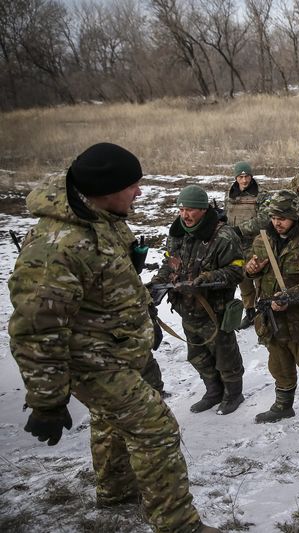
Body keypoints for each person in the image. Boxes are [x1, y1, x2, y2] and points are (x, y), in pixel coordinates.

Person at [8, 143, 219, 532]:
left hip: (121, 349)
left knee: (111, 421)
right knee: (155, 429)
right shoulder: (59, 245)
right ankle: (179, 525)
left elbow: (99, 283)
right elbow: (36, 328)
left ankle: (116, 489)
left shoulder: (99, 216)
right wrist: (47, 401)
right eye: (132, 186)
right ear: (106, 188)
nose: (139, 193)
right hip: (95, 361)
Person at [151, 184, 246, 416]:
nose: (185, 214)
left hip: (216, 310)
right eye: (182, 209)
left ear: (203, 210)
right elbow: (170, 263)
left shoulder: (224, 236)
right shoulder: (176, 233)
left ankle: (233, 394)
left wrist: (206, 279)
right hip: (187, 309)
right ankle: (213, 392)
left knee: (225, 356)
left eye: (191, 209)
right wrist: (156, 284)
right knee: (198, 356)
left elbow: (237, 271)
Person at [244, 191, 299, 433]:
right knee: (279, 364)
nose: (277, 222)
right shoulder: (262, 241)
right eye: (273, 217)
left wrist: (289, 297)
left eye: (283, 217)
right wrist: (251, 270)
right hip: (272, 319)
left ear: (295, 216)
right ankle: (283, 406)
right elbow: (253, 274)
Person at [224, 161, 271, 329]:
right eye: (241, 177)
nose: (244, 180)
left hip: (257, 243)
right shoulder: (230, 194)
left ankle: (263, 310)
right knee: (242, 278)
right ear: (236, 177)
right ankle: (249, 310)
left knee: (259, 276)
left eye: (247, 176)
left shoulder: (262, 194)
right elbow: (227, 215)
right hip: (236, 245)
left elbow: (265, 218)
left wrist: (240, 230)